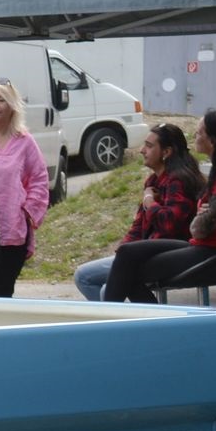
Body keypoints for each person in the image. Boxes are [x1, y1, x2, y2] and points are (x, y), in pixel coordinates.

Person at [101, 109, 216, 303]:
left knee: (128, 269)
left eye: (199, 133)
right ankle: (149, 324)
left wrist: (200, 215)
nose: (195, 137)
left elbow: (199, 229)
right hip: (202, 246)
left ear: (213, 140)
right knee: (126, 255)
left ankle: (129, 324)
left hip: (212, 253)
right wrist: (202, 214)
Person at [73, 124, 206, 300]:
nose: (142, 150)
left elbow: (169, 224)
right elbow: (138, 225)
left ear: (166, 152)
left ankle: (123, 322)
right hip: (143, 253)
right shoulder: (153, 181)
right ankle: (129, 320)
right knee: (83, 275)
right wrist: (122, 252)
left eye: (149, 146)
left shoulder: (178, 181)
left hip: (169, 256)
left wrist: (149, 202)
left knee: (93, 281)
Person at [0, 78, 50, 297]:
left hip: (12, 230)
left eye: (1, 100)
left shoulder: (24, 140)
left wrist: (27, 212)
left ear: (12, 104)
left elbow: (39, 178)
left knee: (2, 291)